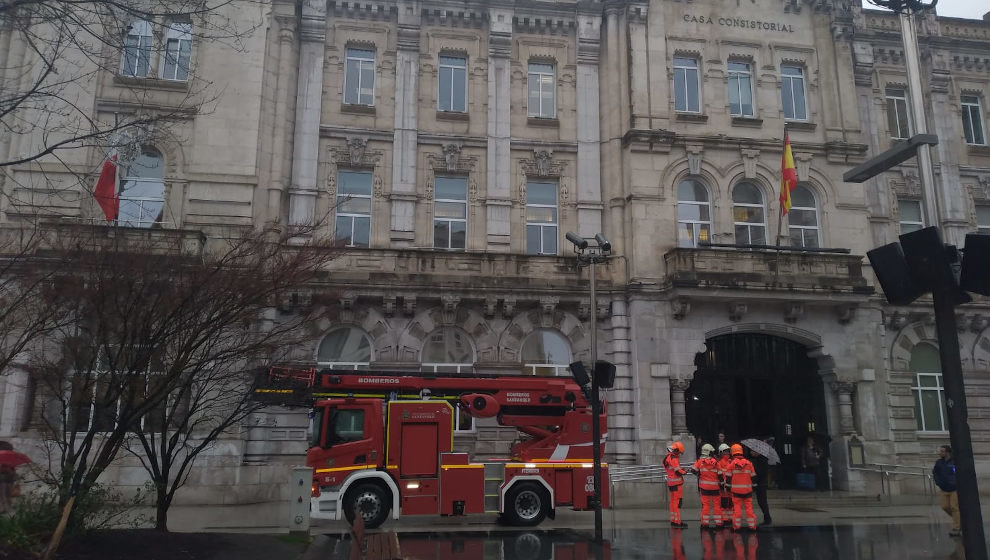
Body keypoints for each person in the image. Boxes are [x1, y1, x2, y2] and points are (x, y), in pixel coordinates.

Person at [727, 443, 756, 531]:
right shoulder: (749, 463)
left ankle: (737, 527)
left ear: (732, 452)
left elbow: (728, 478)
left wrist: (728, 488)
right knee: (749, 509)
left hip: (736, 491)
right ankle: (752, 526)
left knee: (737, 509)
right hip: (748, 491)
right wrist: (753, 487)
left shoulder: (732, 464)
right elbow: (753, 477)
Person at [933, 444, 961, 537]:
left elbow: (957, 473)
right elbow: (935, 472)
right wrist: (938, 482)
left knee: (954, 507)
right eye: (940, 451)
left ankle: (956, 527)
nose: (940, 453)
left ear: (947, 452)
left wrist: (954, 483)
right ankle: (959, 520)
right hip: (943, 488)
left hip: (954, 489)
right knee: (945, 506)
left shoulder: (954, 462)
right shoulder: (939, 463)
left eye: (942, 451)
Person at [693, 443, 722, 529]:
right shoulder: (716, 463)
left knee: (706, 506)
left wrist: (700, 474)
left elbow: (693, 470)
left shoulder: (700, 462)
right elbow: (720, 475)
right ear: (710, 452)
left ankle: (705, 524)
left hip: (704, 487)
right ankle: (719, 523)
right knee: (717, 506)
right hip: (715, 488)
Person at [663, 441, 688, 528]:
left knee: (673, 502)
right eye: (679, 452)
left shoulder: (667, 457)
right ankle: (677, 522)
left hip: (671, 483)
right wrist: (684, 471)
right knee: (677, 503)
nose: (679, 454)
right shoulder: (674, 459)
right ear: (676, 450)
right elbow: (678, 471)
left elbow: (672, 469)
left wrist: (680, 469)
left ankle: (673, 520)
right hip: (677, 484)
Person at [750, 447, 772, 526]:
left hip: (761, 484)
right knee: (761, 502)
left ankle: (767, 519)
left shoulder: (762, 460)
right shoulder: (759, 459)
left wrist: (754, 469)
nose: (751, 453)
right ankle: (767, 518)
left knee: (762, 502)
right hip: (761, 483)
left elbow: (760, 472)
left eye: (752, 451)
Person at [717, 443, 733, 527]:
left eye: (727, 451)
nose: (727, 453)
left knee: (727, 504)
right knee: (727, 504)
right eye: (726, 452)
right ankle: (727, 519)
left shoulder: (720, 462)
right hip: (727, 486)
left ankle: (727, 519)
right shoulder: (730, 462)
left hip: (725, 486)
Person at [0, 440, 15, 515]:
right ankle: (3, 509)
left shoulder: (10, 462)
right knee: (2, 496)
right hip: (2, 481)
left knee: (7, 496)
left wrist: (7, 470)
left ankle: (8, 509)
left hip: (8, 481)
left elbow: (12, 472)